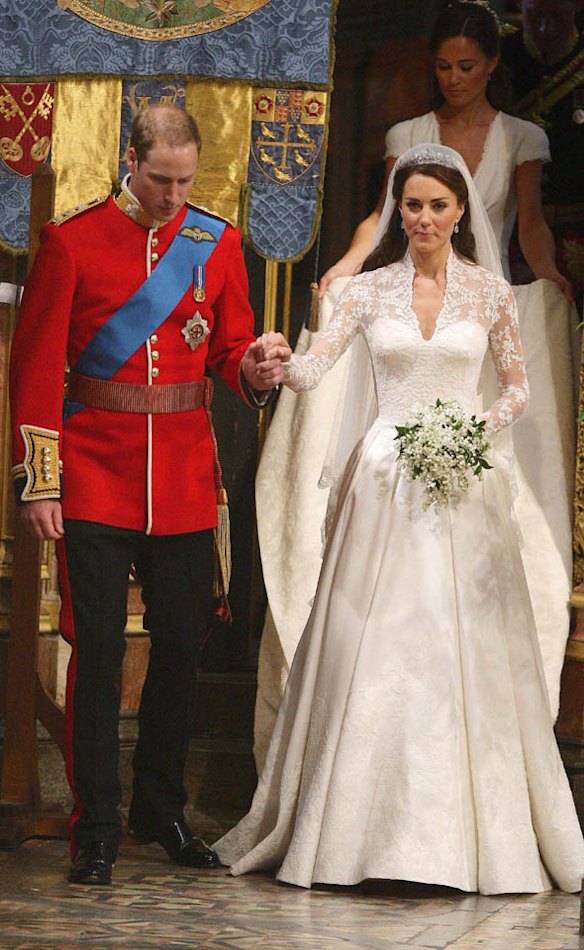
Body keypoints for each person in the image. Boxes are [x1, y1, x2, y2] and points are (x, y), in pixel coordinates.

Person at [214, 144, 584, 894]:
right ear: (396, 210)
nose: (422, 218)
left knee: (460, 645)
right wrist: (277, 358)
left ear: (458, 213)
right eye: (411, 204)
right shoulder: (366, 292)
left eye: (437, 206)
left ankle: (473, 839)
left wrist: (473, 433)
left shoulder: (488, 294)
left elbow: (516, 388)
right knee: (377, 641)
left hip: (462, 480)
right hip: (383, 478)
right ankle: (351, 830)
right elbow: (317, 374)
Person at [253, 0, 580, 769]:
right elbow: (314, 357)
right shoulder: (387, 238)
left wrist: (467, 438)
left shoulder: (491, 285)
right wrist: (297, 330)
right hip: (384, 460)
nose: (455, 77)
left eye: (468, 65)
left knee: (454, 612)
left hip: (458, 442)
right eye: (443, 65)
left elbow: (525, 241)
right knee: (373, 613)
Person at [9, 104, 283, 886]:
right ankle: (92, 823)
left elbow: (230, 349)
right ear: (131, 161)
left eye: (185, 181)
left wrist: (253, 370)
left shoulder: (217, 241)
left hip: (186, 480)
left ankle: (158, 809)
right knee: (96, 655)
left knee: (180, 649)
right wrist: (40, 483)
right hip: (93, 475)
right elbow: (34, 370)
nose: (172, 196)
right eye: (160, 180)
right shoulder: (73, 240)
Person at [503, 0, 584, 310]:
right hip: (510, 230)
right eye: (534, 16)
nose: (544, 28)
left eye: (556, 16)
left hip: (576, 225)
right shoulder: (498, 56)